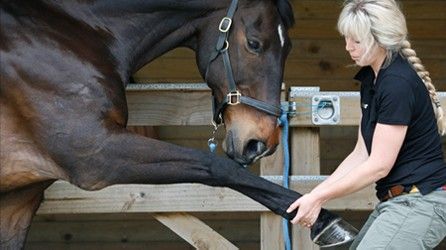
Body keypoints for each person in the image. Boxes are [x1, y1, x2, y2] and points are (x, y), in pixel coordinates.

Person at [286, 0, 446, 249]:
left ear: (381, 40)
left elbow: (379, 166)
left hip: (421, 201)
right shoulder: (372, 80)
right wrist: (314, 195)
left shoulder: (397, 84)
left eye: (357, 41)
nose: (348, 47)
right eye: (346, 38)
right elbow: (361, 154)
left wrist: (319, 196)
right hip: (398, 202)